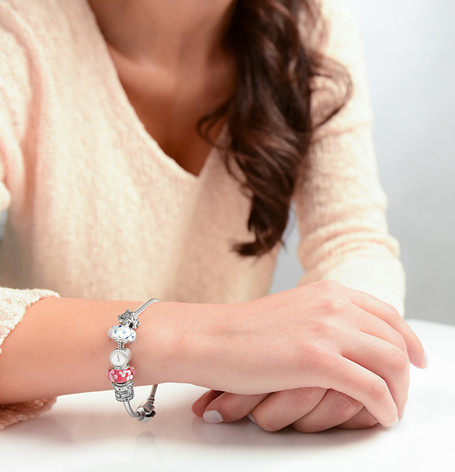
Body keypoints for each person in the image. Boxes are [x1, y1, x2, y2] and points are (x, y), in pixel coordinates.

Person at [0, 0, 427, 432]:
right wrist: (214, 339)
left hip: (228, 438)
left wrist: (342, 357)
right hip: (53, 448)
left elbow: (352, 240)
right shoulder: (17, 27)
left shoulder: (310, 22)